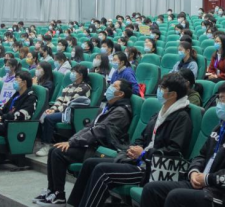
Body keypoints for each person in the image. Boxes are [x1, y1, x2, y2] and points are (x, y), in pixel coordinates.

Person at [64, 73, 194, 207]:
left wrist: (143, 153)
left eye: (162, 88)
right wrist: (134, 148)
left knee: (103, 171)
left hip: (151, 167)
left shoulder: (182, 118)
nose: (159, 91)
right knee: (90, 163)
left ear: (173, 95)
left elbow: (173, 150)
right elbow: (143, 137)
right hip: (138, 160)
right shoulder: (161, 112)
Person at [140, 79, 225, 207]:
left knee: (175, 197)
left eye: (222, 99)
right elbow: (201, 155)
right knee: (151, 189)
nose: (218, 103)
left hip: (220, 192)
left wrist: (208, 178)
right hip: (201, 183)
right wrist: (194, 171)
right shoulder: (221, 127)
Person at [35, 80, 134, 206]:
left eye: (114, 86)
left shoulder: (120, 111)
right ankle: (52, 190)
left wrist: (73, 143)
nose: (109, 87)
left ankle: (59, 195)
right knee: (54, 149)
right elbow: (89, 127)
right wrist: (71, 141)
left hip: (101, 149)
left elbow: (98, 131)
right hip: (92, 145)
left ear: (120, 94)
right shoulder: (108, 107)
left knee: (58, 153)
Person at [35, 65, 92, 157]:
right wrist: (52, 109)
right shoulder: (69, 86)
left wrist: (55, 111)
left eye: (74, 72)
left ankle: (47, 145)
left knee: (49, 118)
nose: (71, 74)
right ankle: (41, 141)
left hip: (72, 113)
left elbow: (71, 103)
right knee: (42, 114)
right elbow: (60, 99)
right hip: (62, 110)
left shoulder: (85, 87)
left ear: (81, 75)